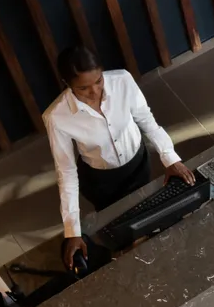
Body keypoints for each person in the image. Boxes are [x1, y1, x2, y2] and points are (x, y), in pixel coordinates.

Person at [44, 46, 195, 268]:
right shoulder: (57, 117)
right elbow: (66, 172)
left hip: (137, 163)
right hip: (101, 181)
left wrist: (170, 158)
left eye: (98, 81)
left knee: (147, 208)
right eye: (83, 88)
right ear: (67, 84)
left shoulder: (122, 80)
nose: (95, 92)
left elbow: (147, 121)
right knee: (121, 225)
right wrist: (73, 231)